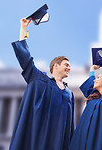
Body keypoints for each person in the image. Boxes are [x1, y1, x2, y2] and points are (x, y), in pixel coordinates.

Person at [10, 18, 74, 150]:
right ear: (56, 66)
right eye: (66, 65)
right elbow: (25, 59)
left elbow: (70, 124)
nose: (69, 68)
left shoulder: (69, 93)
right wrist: (23, 29)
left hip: (58, 142)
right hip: (37, 138)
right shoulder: (39, 79)